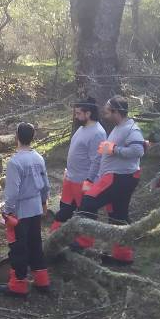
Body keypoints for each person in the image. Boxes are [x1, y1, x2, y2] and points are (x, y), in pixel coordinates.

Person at [76, 96, 145, 265]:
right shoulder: (119, 127)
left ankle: (82, 244)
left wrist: (114, 149)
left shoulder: (130, 128)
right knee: (118, 215)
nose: (104, 114)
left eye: (107, 111)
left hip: (119, 177)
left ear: (116, 111)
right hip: (119, 176)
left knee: (88, 202)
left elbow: (138, 150)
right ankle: (123, 256)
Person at [0, 122, 51, 297]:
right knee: (35, 244)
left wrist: (7, 212)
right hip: (35, 208)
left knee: (18, 248)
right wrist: (44, 203)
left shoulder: (15, 162)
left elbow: (12, 192)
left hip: (20, 212)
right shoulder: (38, 158)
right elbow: (45, 185)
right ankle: (42, 280)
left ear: (16, 137)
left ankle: (18, 285)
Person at [50, 97, 106, 252]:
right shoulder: (82, 128)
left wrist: (90, 181)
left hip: (84, 181)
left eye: (78, 113)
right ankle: (56, 235)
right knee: (65, 209)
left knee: (86, 213)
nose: (76, 116)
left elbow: (97, 160)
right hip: (71, 178)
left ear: (88, 113)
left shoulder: (98, 133)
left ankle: (84, 243)